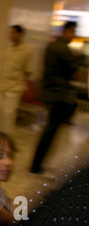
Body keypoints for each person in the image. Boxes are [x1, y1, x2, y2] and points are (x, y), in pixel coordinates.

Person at [30, 21, 84, 175]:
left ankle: (36, 165)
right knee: (50, 132)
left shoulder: (51, 46)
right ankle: (36, 167)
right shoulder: (63, 48)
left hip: (51, 94)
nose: (73, 36)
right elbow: (74, 72)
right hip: (60, 95)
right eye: (73, 32)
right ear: (66, 30)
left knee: (49, 131)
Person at [0, 25, 33, 135]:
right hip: (3, 86)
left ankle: (5, 138)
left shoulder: (27, 51)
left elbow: (29, 71)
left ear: (20, 34)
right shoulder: (8, 49)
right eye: (10, 33)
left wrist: (18, 81)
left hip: (14, 88)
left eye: (13, 33)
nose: (10, 35)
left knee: (8, 115)